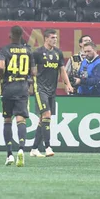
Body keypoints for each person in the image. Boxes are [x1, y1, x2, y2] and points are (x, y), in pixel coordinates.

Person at [30, 29, 74, 158]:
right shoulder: (37, 53)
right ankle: (47, 146)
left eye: (56, 37)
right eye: (53, 37)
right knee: (47, 115)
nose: (55, 39)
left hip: (52, 90)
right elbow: (32, 71)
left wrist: (68, 84)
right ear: (46, 39)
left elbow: (62, 70)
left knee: (42, 119)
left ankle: (34, 149)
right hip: (40, 88)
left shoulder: (58, 53)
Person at [0, 25, 36, 167]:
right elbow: (33, 72)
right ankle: (21, 149)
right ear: (21, 36)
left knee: (7, 120)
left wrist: (3, 77)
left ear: (10, 35)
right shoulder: (28, 51)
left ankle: (9, 154)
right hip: (22, 87)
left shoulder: (5, 50)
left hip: (8, 87)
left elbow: (1, 67)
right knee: (21, 120)